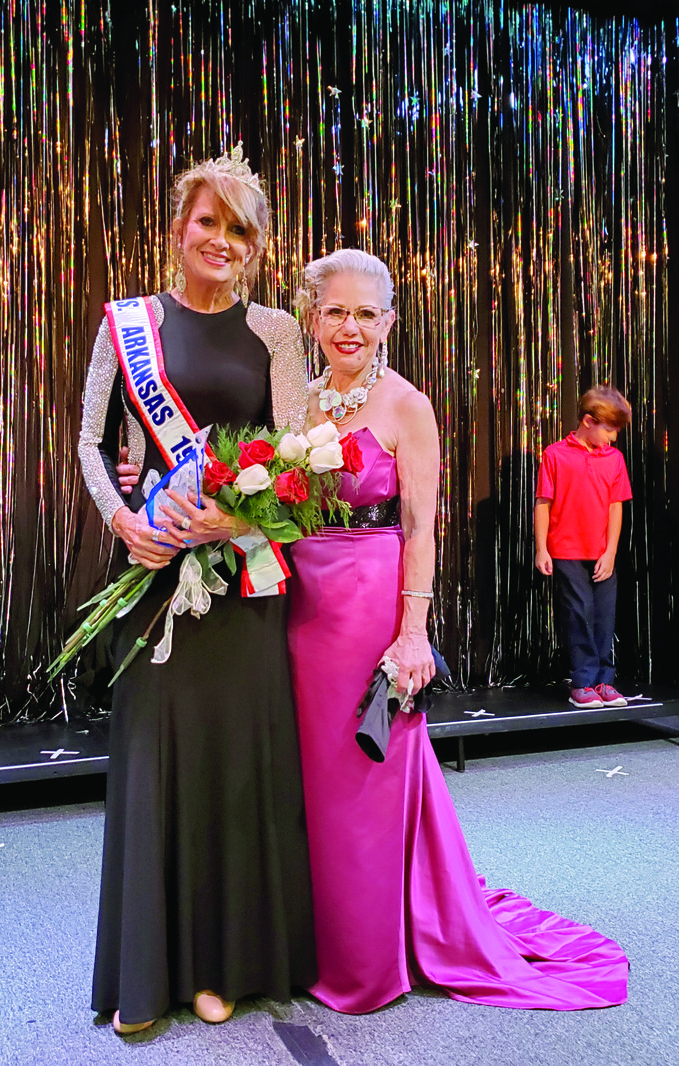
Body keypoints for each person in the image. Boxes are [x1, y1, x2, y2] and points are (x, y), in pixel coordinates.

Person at [287, 248, 629, 1013]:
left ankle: (365, 960)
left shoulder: (407, 404)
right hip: (301, 607)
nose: (350, 327)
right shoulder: (295, 399)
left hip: (371, 602)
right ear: (313, 317)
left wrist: (414, 634)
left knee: (367, 780)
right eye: (336, 311)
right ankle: (308, 938)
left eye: (366, 314)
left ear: (389, 323)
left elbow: (420, 529)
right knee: (309, 781)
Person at [78, 146, 316, 1034]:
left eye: (240, 228)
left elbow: (296, 466)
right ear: (179, 228)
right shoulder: (127, 325)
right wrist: (123, 523)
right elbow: (89, 445)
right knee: (157, 757)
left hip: (245, 582)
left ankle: (223, 967)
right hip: (154, 576)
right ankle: (149, 973)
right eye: (207, 221)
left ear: (255, 245)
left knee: (230, 766)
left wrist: (239, 525)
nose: (222, 239)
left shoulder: (277, 335)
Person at [535, 387, 633, 708]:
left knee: (604, 616)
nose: (613, 439)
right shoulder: (555, 455)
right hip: (566, 551)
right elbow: (543, 503)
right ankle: (583, 681)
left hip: (602, 553)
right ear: (589, 421)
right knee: (579, 614)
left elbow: (616, 507)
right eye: (609, 430)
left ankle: (604, 681)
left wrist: (611, 551)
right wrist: (541, 548)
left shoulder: (614, 459)